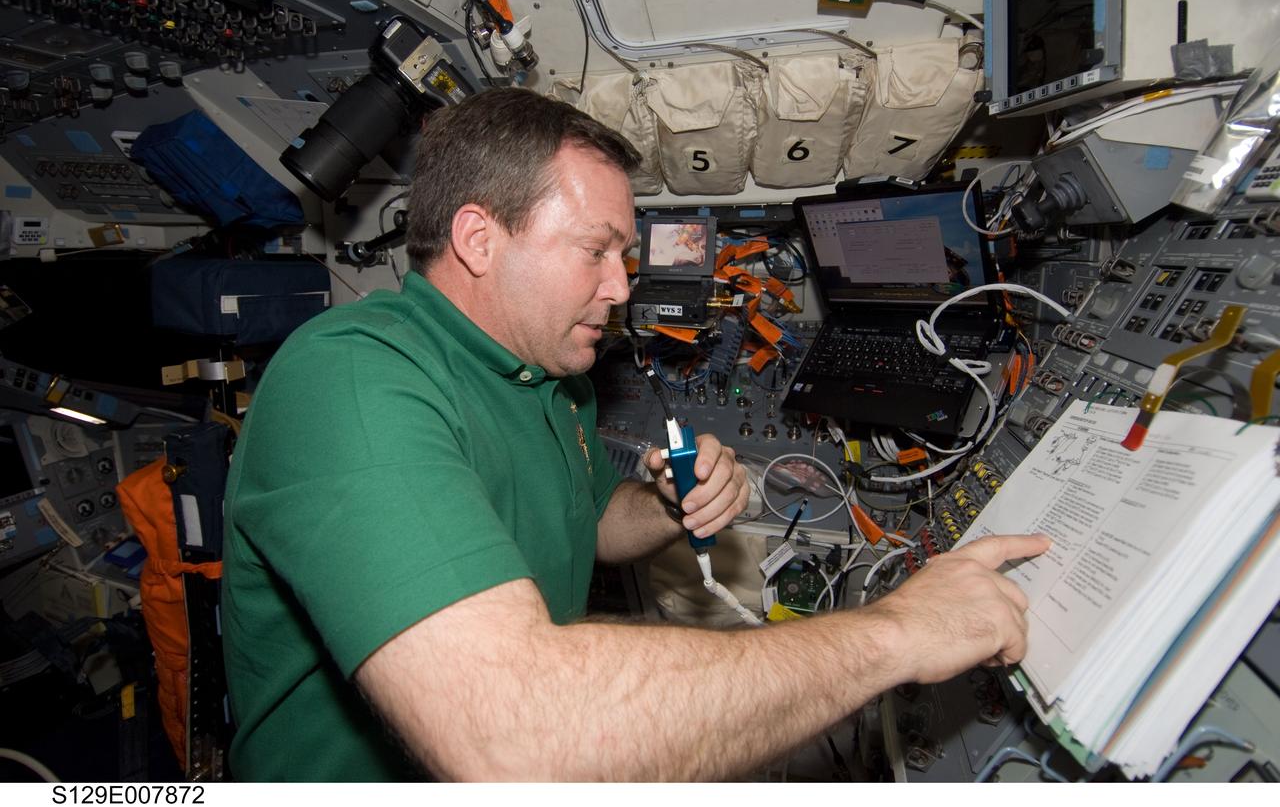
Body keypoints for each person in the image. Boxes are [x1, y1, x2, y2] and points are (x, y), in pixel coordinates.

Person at [222, 87, 1050, 781]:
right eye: (596, 251)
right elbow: (518, 737)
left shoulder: (555, 380)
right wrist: (900, 631)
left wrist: (666, 504)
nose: (621, 288)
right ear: (479, 240)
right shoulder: (353, 381)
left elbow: (583, 523)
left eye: (623, 256)